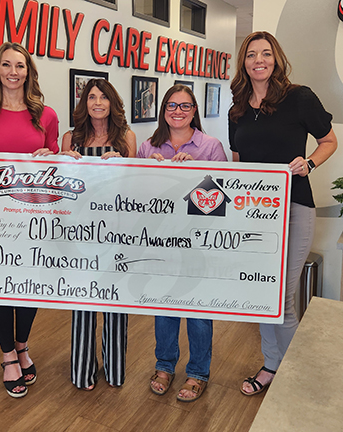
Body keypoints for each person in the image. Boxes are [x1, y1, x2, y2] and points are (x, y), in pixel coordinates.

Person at [229, 31, 337, 396]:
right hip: (252, 214)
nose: (259, 60)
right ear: (243, 62)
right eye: (251, 55)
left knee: (282, 299)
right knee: (261, 298)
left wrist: (309, 163)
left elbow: (329, 141)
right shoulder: (237, 107)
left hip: (293, 209)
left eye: (266, 53)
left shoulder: (299, 97)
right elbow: (238, 162)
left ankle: (292, 372)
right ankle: (272, 365)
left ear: (276, 59)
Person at [0, 42, 59, 398]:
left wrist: (50, 156)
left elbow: (54, 165)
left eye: (20, 65)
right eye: (6, 65)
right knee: (1, 284)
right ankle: (7, 356)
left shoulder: (45, 115)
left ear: (28, 72)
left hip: (34, 209)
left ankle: (22, 344)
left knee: (29, 283)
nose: (13, 72)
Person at [137, 84, 227, 402]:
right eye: (172, 105)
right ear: (163, 109)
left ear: (194, 111)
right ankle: (164, 366)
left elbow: (221, 199)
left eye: (185, 106)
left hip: (199, 242)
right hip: (161, 242)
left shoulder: (211, 146)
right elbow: (137, 195)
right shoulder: (149, 147)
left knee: (199, 309)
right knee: (164, 306)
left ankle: (198, 373)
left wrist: (197, 172)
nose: (178, 111)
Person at [61, 78, 136, 390]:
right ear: (84, 103)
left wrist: (123, 164)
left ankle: (115, 368)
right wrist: (62, 161)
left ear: (112, 103)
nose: (97, 102)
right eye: (91, 97)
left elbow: (136, 183)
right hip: (80, 230)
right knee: (83, 300)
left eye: (103, 97)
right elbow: (60, 185)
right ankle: (82, 369)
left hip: (117, 228)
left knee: (115, 299)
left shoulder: (126, 137)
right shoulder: (71, 137)